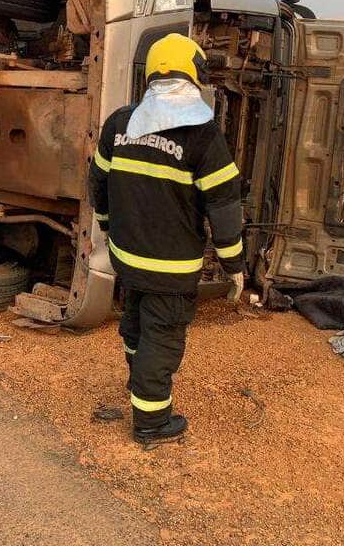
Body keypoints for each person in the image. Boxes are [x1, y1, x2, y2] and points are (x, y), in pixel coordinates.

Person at [88, 33, 245, 445]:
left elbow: (98, 184)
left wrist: (108, 228)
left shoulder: (120, 123)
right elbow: (224, 207)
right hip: (172, 268)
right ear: (195, 75)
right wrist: (234, 266)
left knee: (136, 326)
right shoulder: (204, 135)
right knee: (163, 335)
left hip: (127, 256)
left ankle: (140, 386)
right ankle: (152, 422)